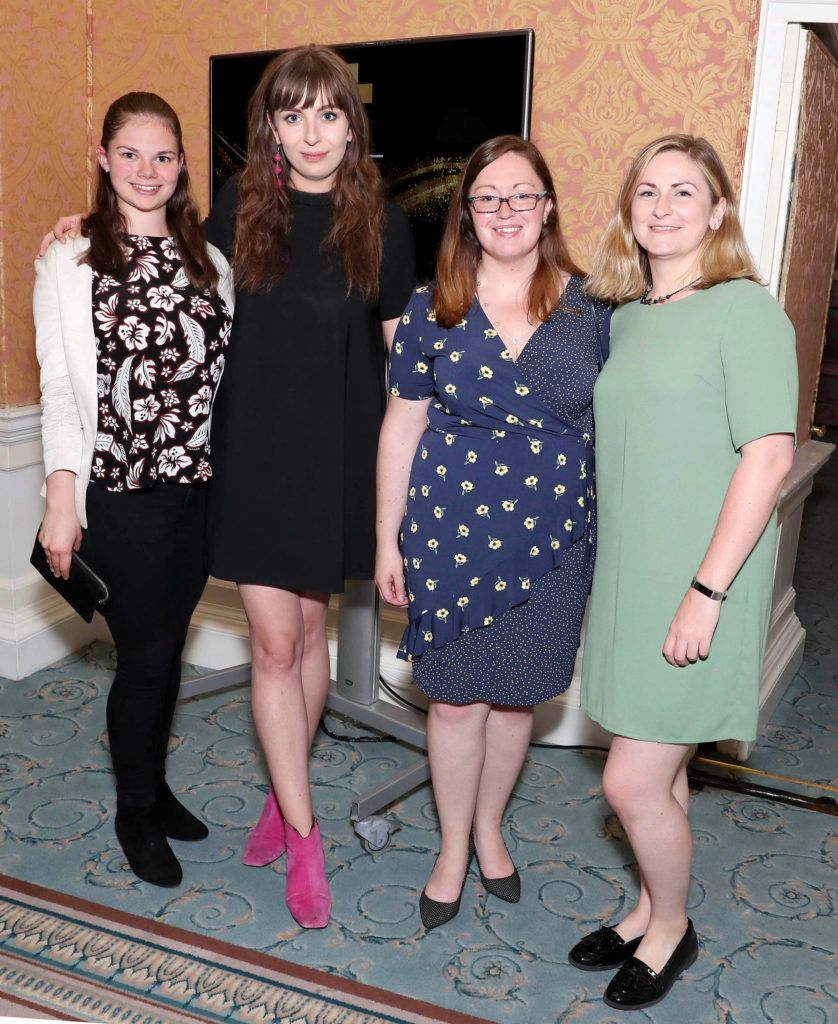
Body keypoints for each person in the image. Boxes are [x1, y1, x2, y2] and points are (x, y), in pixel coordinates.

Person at [42, 47, 415, 929]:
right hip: (248, 468)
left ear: (350, 125)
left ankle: (280, 797)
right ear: (271, 129)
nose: (312, 131)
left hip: (338, 469)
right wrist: (75, 225)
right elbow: (144, 256)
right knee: (277, 649)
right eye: (293, 116)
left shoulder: (387, 226)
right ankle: (307, 830)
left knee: (314, 635)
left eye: (329, 113)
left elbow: (406, 364)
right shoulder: (236, 220)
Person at [572, 135, 797, 1010]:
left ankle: (671, 929)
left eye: (684, 192)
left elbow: (770, 456)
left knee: (628, 779)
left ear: (718, 210)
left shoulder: (743, 309)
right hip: (632, 576)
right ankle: (643, 908)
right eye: (647, 192)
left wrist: (705, 594)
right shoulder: (629, 314)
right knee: (657, 773)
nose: (662, 207)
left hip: (702, 582)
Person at [376, 135, 609, 930]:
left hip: (555, 540)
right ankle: (450, 847)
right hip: (449, 534)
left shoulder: (594, 308)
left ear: (547, 207)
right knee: (451, 705)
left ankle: (489, 827)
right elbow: (400, 427)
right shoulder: (428, 308)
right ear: (466, 215)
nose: (505, 210)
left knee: (515, 704)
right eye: (487, 198)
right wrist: (386, 541)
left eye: (522, 195)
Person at [34, 92, 234, 888]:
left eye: (163, 155)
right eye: (130, 154)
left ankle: (156, 787)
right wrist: (59, 500)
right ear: (103, 157)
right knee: (146, 657)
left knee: (171, 647)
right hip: (119, 494)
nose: (146, 171)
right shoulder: (70, 259)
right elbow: (56, 392)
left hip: (197, 490)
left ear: (183, 163)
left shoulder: (210, 262)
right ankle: (135, 813)